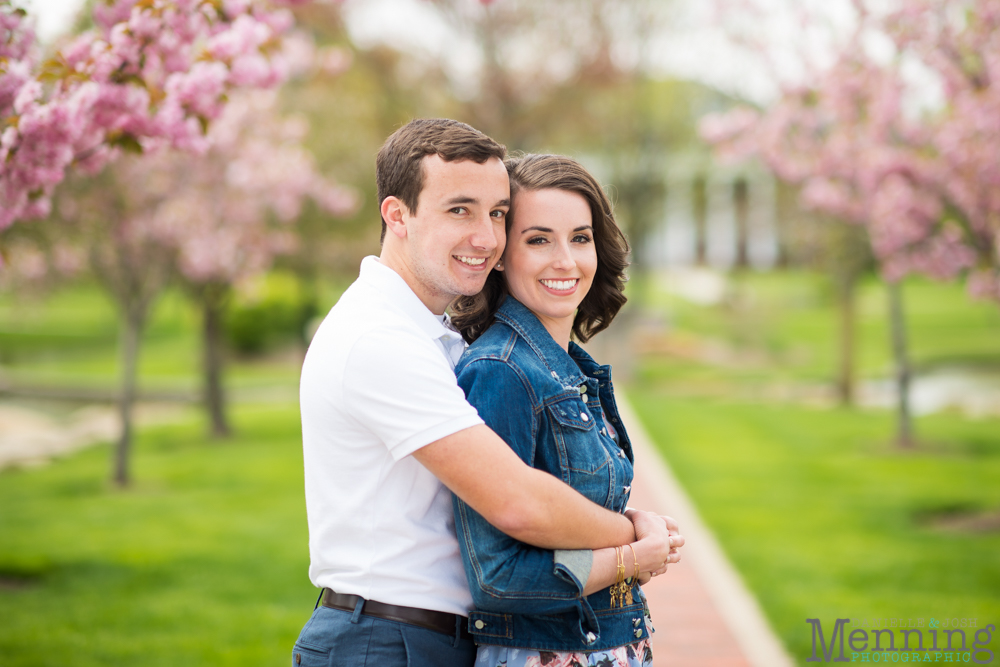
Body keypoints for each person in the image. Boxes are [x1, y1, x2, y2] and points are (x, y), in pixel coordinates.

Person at [293, 120, 680, 667]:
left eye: (497, 213)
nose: (486, 236)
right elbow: (516, 501)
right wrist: (634, 540)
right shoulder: (379, 338)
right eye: (460, 210)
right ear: (396, 215)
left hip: (422, 636)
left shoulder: (428, 332)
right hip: (385, 639)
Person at [450, 153, 674, 666]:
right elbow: (497, 578)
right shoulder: (501, 372)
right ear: (502, 254)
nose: (565, 261)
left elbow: (568, 518)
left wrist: (634, 521)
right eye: (538, 239)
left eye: (579, 237)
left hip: (604, 645)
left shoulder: (569, 369)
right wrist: (632, 556)